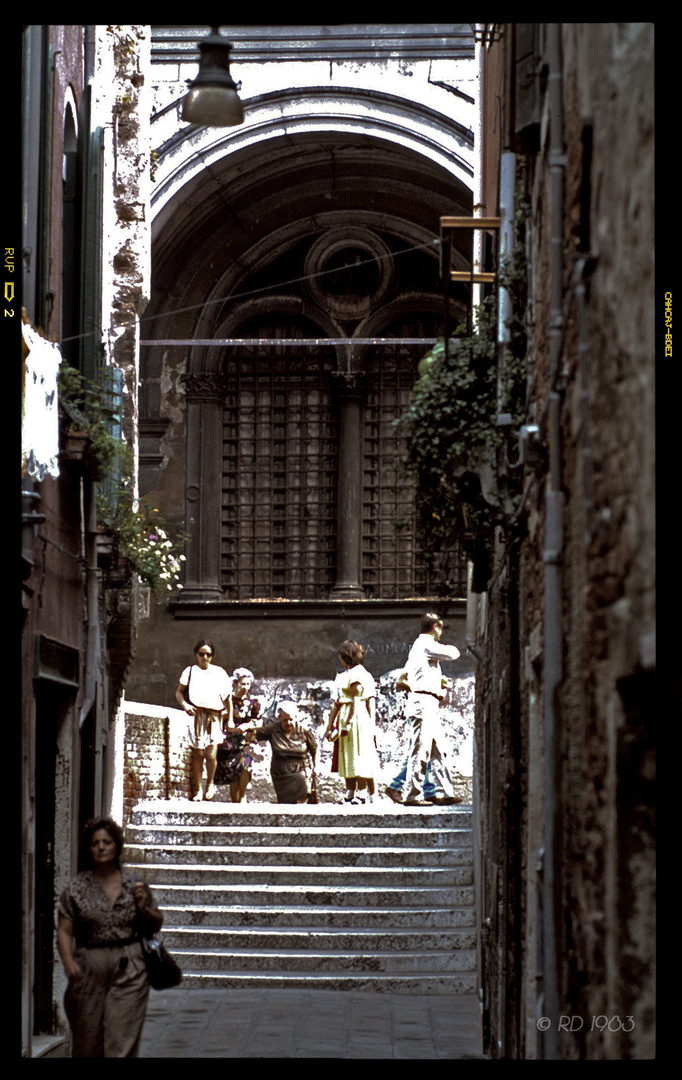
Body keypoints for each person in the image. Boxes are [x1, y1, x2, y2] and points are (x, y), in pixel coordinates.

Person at [56, 816, 163, 1058]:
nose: (101, 847)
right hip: (88, 968)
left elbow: (157, 922)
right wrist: (68, 962)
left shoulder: (134, 885)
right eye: (95, 843)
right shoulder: (76, 888)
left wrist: (144, 908)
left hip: (129, 966)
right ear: (88, 848)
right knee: (87, 1046)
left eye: (107, 842)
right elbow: (64, 929)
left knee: (120, 1044)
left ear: (116, 847)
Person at [398, 613, 463, 806]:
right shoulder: (426, 644)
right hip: (423, 701)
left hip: (428, 702)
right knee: (421, 749)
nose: (441, 633)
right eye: (440, 628)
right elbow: (453, 653)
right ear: (435, 627)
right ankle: (412, 794)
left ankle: (446, 792)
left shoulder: (418, 648)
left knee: (437, 749)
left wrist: (437, 680)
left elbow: (411, 674)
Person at [324, 640, 381, 804]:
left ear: (345, 657)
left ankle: (363, 792)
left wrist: (371, 725)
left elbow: (367, 702)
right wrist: (330, 725)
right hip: (345, 714)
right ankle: (350, 790)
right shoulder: (342, 677)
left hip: (357, 717)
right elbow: (336, 703)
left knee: (359, 753)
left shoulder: (362, 675)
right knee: (347, 754)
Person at [175, 640, 232, 801]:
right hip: (197, 715)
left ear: (212, 656)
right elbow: (179, 692)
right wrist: (185, 705)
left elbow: (228, 698)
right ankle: (198, 790)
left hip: (214, 716)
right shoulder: (190, 671)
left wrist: (231, 720)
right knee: (198, 754)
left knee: (211, 754)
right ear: (196, 655)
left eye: (208, 654)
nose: (204, 657)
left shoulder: (219, 672)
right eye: (201, 654)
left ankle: (210, 784)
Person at [247, 701, 317, 803]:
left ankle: (301, 812)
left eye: (291, 720)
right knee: (286, 804)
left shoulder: (304, 730)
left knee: (301, 783)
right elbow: (254, 735)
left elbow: (314, 749)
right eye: (284, 720)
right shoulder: (273, 729)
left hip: (301, 768)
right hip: (281, 773)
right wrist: (248, 725)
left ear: (296, 718)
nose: (288, 723)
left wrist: (315, 767)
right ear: (280, 719)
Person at [215, 667, 262, 802]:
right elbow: (218, 717)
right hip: (229, 742)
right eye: (243, 684)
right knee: (233, 771)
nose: (245, 687)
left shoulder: (253, 702)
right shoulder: (227, 701)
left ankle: (242, 797)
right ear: (235, 684)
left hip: (246, 741)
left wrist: (246, 726)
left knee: (246, 765)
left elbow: (259, 721)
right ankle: (235, 801)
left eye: (248, 684)